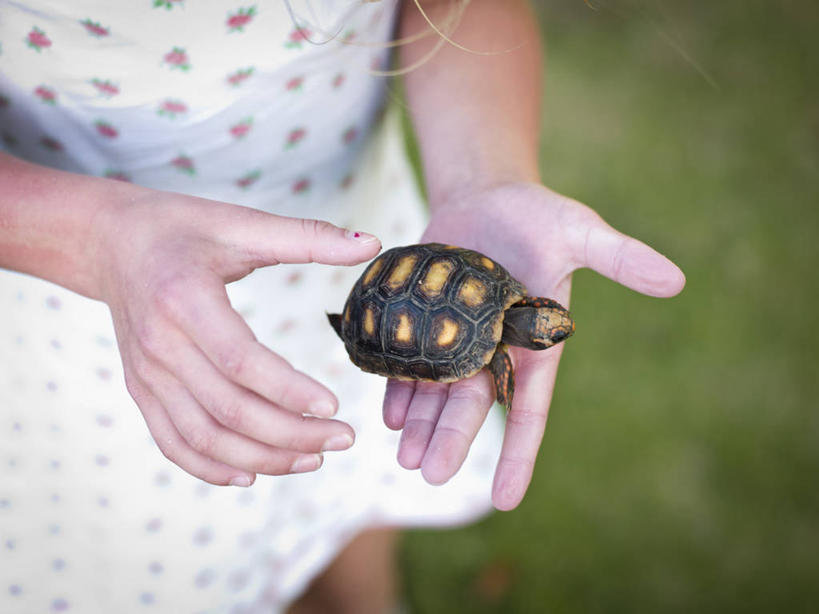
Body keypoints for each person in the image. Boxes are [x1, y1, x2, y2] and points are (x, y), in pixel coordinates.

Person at [0, 1, 685, 612]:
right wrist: (93, 237)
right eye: (545, 328)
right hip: (94, 305)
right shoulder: (486, 348)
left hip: (350, 244)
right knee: (195, 541)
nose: (549, 328)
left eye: (546, 327)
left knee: (344, 500)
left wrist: (490, 174)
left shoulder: (491, 297)